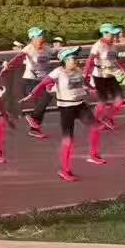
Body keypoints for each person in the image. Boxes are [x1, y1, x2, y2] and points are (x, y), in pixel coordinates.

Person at [29, 46, 101, 180]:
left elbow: (84, 81)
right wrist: (32, 94)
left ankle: (93, 155)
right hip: (66, 108)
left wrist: (91, 89)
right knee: (68, 141)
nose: (75, 60)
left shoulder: (78, 70)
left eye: (75, 57)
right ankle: (65, 170)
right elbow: (43, 84)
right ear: (65, 60)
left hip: (80, 105)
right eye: (72, 58)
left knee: (95, 128)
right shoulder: (58, 72)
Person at [1, 27, 52, 139]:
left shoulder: (47, 49)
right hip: (30, 80)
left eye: (42, 35)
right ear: (32, 38)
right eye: (39, 36)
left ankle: (34, 129)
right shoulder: (29, 48)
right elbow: (18, 59)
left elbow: (58, 55)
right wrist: (8, 66)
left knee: (41, 105)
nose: (41, 37)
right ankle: (33, 120)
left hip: (43, 81)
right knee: (46, 97)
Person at [85, 23, 125, 131]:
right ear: (104, 34)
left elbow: (115, 60)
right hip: (99, 75)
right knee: (103, 100)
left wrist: (124, 68)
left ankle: (107, 118)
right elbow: (90, 60)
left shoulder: (113, 46)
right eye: (111, 34)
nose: (114, 37)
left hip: (111, 75)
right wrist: (85, 75)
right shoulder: (98, 46)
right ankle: (96, 121)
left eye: (114, 34)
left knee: (119, 100)